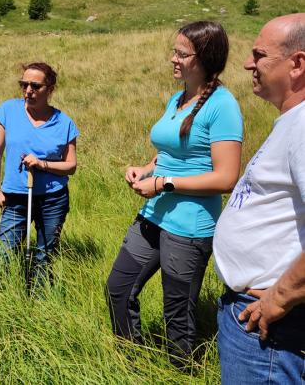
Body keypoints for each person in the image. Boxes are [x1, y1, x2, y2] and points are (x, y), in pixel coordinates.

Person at [106, 21, 243, 364]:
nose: (173, 59)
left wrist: (163, 184)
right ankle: (130, 362)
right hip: (155, 214)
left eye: (182, 53)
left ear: (205, 58)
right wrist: (147, 168)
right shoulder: (178, 97)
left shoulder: (222, 105)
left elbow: (226, 178)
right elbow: (171, 152)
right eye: (174, 51)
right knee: (118, 289)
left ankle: (181, 370)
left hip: (189, 226)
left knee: (177, 314)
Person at [214, 14, 305, 383]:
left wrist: (279, 298)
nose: (248, 64)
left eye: (259, 55)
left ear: (297, 64)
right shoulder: (292, 121)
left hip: (270, 324)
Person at [0, 62, 79, 286]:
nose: (28, 90)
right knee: (3, 254)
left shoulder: (64, 123)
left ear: (50, 88)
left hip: (53, 199)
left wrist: (42, 164)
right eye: (24, 84)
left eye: (35, 86)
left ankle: (40, 301)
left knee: (44, 256)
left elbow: (71, 166)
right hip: (15, 196)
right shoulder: (8, 111)